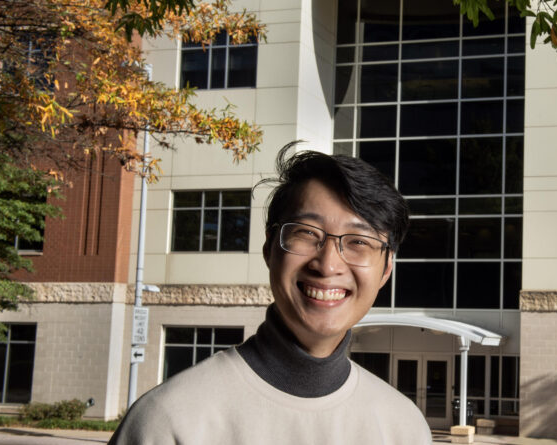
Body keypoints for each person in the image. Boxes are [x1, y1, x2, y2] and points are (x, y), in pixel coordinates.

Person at [109, 142, 431, 444]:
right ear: (269, 248)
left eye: (358, 242)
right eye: (306, 233)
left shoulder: (403, 428)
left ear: (386, 268)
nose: (328, 264)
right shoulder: (169, 421)